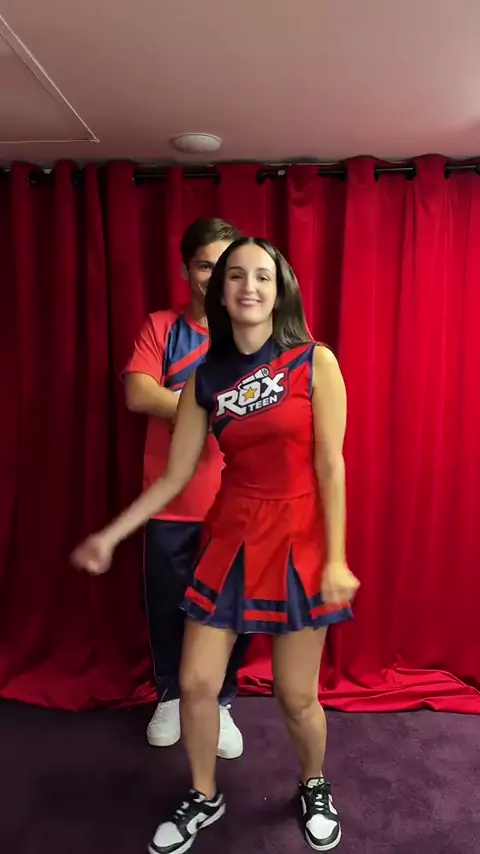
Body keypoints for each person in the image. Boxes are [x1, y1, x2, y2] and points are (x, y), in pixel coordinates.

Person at [72, 236, 360, 853]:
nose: (249, 286)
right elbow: (175, 476)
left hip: (300, 540)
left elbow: (331, 465)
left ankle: (313, 783)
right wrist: (112, 535)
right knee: (197, 683)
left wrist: (336, 558)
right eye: (235, 276)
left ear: (280, 290)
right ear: (218, 292)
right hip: (230, 538)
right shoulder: (204, 379)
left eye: (262, 276)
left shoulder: (316, 362)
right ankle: (204, 794)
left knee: (296, 696)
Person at [122, 218, 247, 759]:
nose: (214, 277)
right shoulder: (162, 327)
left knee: (229, 611)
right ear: (185, 269)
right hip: (170, 504)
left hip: (239, 503)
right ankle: (171, 696)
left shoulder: (252, 331)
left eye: (225, 267)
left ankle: (220, 701)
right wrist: (205, 406)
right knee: (169, 607)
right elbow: (138, 393)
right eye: (204, 265)